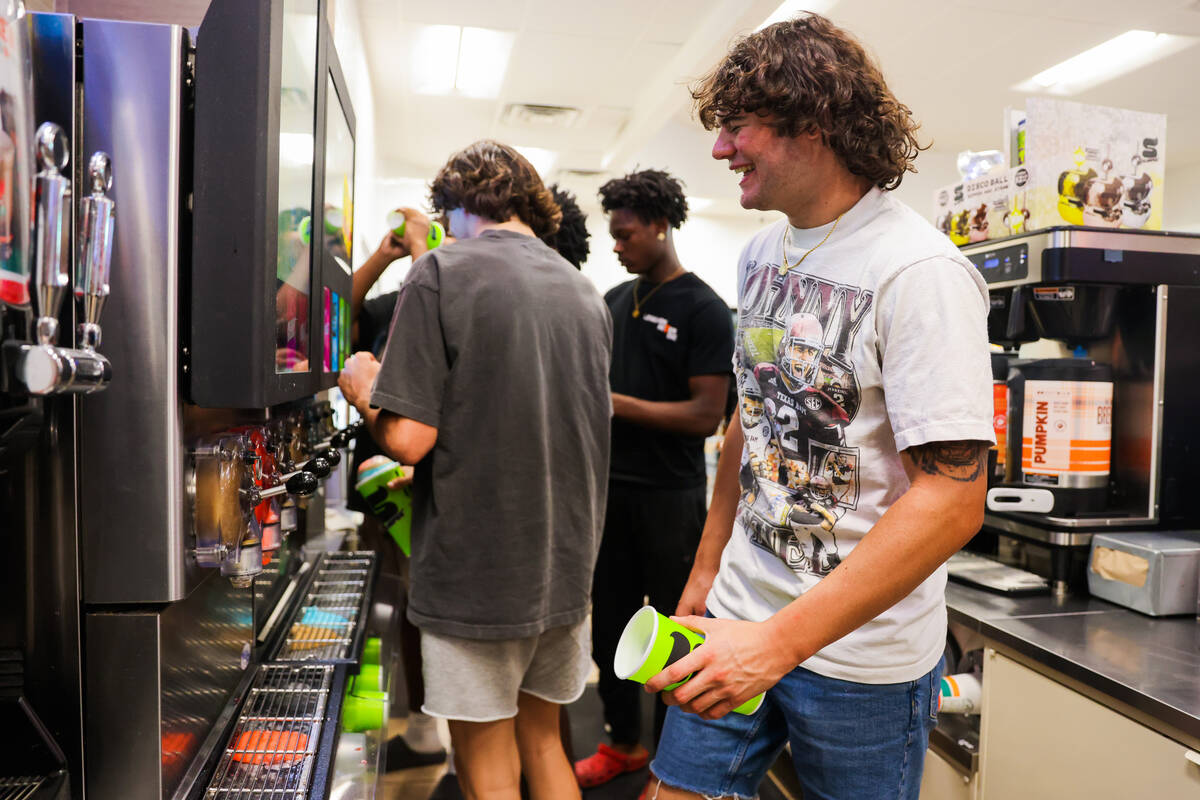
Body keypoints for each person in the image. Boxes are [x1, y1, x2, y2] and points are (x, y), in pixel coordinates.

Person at [641, 14, 994, 800]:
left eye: (738, 126)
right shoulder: (762, 253)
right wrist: (706, 568)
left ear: (815, 123)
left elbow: (953, 500)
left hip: (860, 661)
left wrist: (775, 646)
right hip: (737, 613)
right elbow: (753, 414)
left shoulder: (918, 272)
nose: (719, 148)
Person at [338, 139, 611, 800]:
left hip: (478, 575)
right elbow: (535, 425)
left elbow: (408, 438)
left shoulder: (442, 272)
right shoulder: (584, 293)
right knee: (544, 743)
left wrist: (363, 389)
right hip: (564, 566)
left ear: (456, 209)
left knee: (485, 758)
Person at [574, 169, 733, 791]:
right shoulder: (613, 302)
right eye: (613, 235)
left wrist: (614, 403)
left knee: (674, 638)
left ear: (660, 226)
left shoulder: (704, 309)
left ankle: (674, 762)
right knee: (611, 630)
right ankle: (623, 743)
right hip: (610, 495)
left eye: (625, 233)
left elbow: (703, 417)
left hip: (672, 500)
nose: (616, 245)